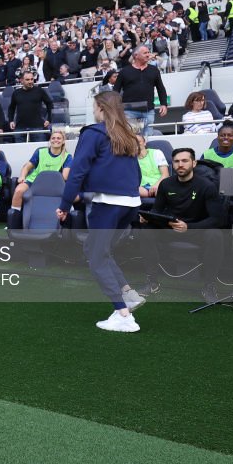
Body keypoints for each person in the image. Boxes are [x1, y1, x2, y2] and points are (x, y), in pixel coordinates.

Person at [56, 92, 147, 333]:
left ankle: (123, 314)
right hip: (130, 205)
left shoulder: (93, 132)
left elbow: (77, 171)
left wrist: (65, 205)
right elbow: (136, 175)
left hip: (108, 205)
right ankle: (129, 295)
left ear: (101, 108)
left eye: (95, 107)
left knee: (96, 257)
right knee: (98, 250)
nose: (93, 111)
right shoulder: (126, 136)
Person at [137, 148, 225, 303]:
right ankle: (152, 282)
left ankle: (209, 286)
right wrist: (149, 218)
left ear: (194, 163)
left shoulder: (206, 186)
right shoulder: (166, 184)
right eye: (177, 161)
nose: (180, 165)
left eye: (185, 161)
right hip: (172, 227)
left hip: (196, 229)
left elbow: (218, 219)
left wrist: (189, 227)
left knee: (215, 234)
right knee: (146, 231)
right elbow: (157, 211)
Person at [8, 130, 72, 229]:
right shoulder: (40, 152)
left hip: (53, 186)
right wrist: (22, 176)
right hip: (33, 181)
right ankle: (15, 223)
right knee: (18, 190)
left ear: (63, 141)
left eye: (59, 138)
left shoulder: (67, 157)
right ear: (50, 140)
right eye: (53, 138)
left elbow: (65, 177)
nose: (56, 140)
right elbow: (27, 167)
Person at [113, 46, 167, 135]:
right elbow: (115, 91)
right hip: (130, 111)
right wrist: (115, 107)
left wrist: (164, 104)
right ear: (136, 55)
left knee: (147, 138)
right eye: (145, 53)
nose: (148, 55)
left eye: (148, 52)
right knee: (133, 139)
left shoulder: (154, 70)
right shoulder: (124, 71)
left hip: (148, 110)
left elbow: (160, 88)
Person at [7, 71, 53, 142]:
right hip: (20, 128)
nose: (30, 81)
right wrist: (11, 120)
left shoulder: (40, 91)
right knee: (20, 151)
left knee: (39, 150)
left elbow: (49, 104)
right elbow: (11, 108)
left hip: (37, 127)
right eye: (27, 80)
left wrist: (49, 119)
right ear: (21, 80)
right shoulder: (16, 93)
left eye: (32, 79)